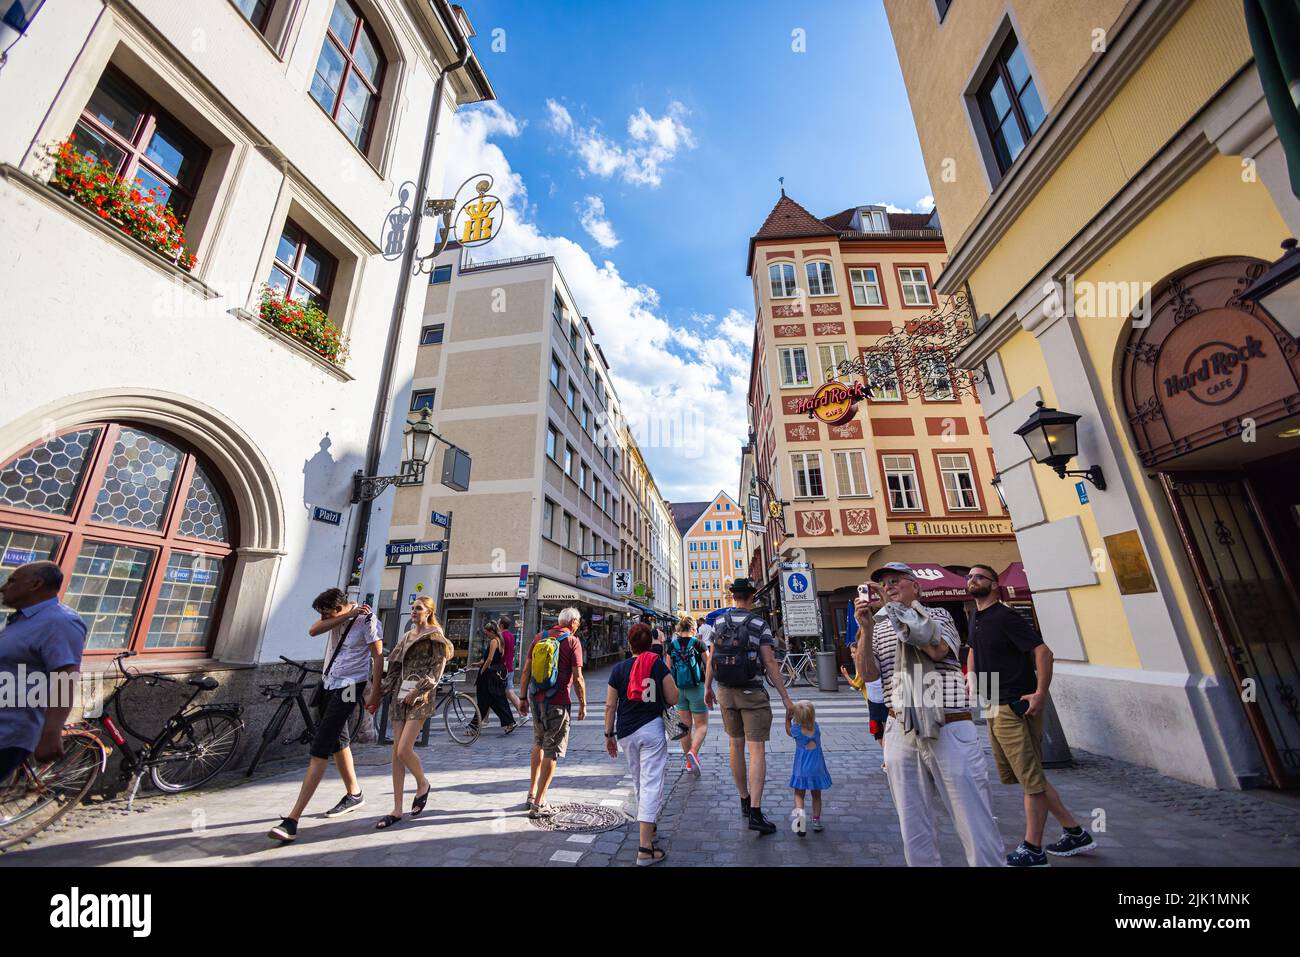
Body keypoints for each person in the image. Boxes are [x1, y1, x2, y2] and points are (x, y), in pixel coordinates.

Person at [853, 562, 1003, 867]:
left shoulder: (936, 615)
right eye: (883, 583)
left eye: (896, 581)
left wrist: (893, 613)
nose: (889, 587)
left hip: (947, 723)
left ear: (916, 587)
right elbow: (868, 675)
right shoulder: (879, 625)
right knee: (913, 824)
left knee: (973, 819)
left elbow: (935, 650)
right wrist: (866, 630)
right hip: (900, 723)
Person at [966, 564, 1095, 866]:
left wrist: (1040, 692)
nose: (973, 580)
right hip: (992, 702)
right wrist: (970, 675)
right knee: (1029, 774)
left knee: (1031, 779)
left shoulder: (1006, 616)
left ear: (994, 585)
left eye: (980, 577)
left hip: (1013, 703)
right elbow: (972, 648)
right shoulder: (975, 616)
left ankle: (1033, 848)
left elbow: (1043, 652)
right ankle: (1075, 833)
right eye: (969, 577)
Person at [269, 588, 382, 843]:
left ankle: (292, 820)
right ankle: (355, 794)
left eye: (327, 612)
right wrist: (345, 615)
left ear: (338, 606)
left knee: (320, 746)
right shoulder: (339, 617)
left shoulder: (368, 620)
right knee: (337, 741)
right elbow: (313, 631)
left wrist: (374, 694)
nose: (324, 617)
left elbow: (378, 655)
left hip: (351, 687)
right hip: (329, 684)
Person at [703, 577, 793, 835]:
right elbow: (770, 664)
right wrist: (786, 698)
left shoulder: (718, 622)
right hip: (752, 693)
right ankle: (755, 811)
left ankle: (743, 799)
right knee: (756, 751)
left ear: (732, 597)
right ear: (752, 597)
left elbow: (711, 660)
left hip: (725, 693)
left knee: (735, 745)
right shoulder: (759, 623)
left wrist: (708, 688)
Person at [0, 561, 86, 783]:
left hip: (9, 733)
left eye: (12, 581)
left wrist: (51, 732)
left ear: (36, 584)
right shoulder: (22, 620)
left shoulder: (60, 621)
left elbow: (65, 676)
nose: (3, 587)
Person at [374, 596, 454, 830]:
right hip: (400, 695)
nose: (414, 611)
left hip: (420, 697)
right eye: (412, 608)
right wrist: (379, 693)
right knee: (396, 754)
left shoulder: (435, 636)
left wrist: (418, 690)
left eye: (418, 608)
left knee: (404, 749)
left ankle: (423, 783)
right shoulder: (407, 635)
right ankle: (396, 809)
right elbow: (395, 667)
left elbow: (436, 671)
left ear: (429, 612)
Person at [603, 622, 679, 865]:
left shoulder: (619, 669)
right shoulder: (656, 664)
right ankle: (645, 848)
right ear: (651, 644)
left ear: (629, 644)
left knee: (639, 781)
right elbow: (673, 697)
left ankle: (650, 825)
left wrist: (608, 734)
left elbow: (610, 705)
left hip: (626, 732)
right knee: (651, 783)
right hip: (651, 730)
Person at [518, 607, 586, 818]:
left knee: (538, 742)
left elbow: (526, 670)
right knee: (552, 750)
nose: (579, 625)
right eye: (579, 622)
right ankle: (540, 802)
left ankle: (531, 794)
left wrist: (522, 698)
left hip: (536, 700)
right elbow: (578, 677)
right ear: (573, 622)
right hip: (558, 702)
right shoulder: (573, 642)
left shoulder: (539, 637)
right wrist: (583, 704)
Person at [667, 616, 710, 773]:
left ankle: (689, 763)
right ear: (693, 629)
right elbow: (709, 664)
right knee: (702, 725)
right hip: (697, 688)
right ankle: (694, 752)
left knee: (685, 728)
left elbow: (668, 669)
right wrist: (710, 687)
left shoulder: (672, 646)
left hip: (679, 690)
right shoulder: (699, 644)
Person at [785, 700, 832, 836]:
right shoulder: (816, 728)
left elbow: (788, 731)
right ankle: (816, 821)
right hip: (817, 768)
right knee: (816, 795)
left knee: (799, 794)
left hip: (801, 769)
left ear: (796, 718)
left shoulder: (796, 730)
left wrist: (787, 719)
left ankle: (801, 819)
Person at [840, 664, 888, 770]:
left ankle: (887, 759)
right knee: (883, 731)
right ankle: (887, 758)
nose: (852, 654)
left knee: (880, 732)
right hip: (881, 700)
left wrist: (846, 675)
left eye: (854, 651)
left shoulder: (863, 664)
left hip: (875, 702)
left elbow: (856, 685)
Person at [473, 621, 517, 735]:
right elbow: (495, 658)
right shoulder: (500, 640)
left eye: (487, 632)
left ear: (491, 631)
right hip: (496, 674)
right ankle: (509, 722)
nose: (486, 634)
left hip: (489, 675)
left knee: (484, 701)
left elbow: (490, 659)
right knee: (495, 700)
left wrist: (482, 671)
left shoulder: (494, 641)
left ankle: (473, 727)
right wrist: (479, 663)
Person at [498, 616, 526, 721]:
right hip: (509, 667)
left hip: (503, 669)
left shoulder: (501, 636)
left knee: (509, 693)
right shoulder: (510, 635)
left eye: (498, 623)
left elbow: (501, 652)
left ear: (501, 625)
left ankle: (523, 714)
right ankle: (522, 713)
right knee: (509, 692)